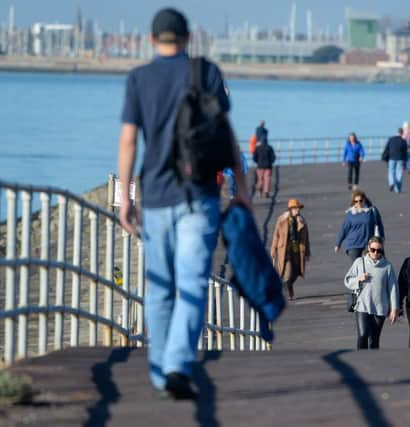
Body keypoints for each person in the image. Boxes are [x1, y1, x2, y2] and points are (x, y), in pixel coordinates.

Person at [117, 7, 250, 399]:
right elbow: (226, 134)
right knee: (192, 282)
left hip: (155, 198)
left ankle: (163, 374)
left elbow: (128, 141)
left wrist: (126, 197)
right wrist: (241, 186)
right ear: (188, 38)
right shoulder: (205, 72)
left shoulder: (138, 79)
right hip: (200, 196)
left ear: (151, 39)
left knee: (159, 288)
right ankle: (177, 364)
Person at [344, 236, 399, 350]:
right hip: (362, 305)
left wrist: (394, 308)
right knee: (363, 335)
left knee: (374, 339)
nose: (375, 253)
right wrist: (358, 279)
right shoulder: (359, 262)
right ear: (368, 248)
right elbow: (347, 281)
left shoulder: (387, 266)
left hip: (380, 307)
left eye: (379, 251)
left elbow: (393, 288)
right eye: (373, 249)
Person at [270, 198, 311, 301]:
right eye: (296, 208)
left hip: (296, 250)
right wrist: (273, 249)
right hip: (284, 250)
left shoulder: (301, 221)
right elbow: (276, 235)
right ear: (291, 209)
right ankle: (287, 290)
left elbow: (306, 238)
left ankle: (288, 286)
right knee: (287, 272)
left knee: (296, 272)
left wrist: (307, 251)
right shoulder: (282, 220)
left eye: (298, 208)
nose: (298, 210)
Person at [335, 190, 379, 262]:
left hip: (368, 243)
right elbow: (344, 229)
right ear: (353, 202)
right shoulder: (350, 214)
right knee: (357, 265)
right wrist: (338, 244)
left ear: (364, 200)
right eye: (356, 201)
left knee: (368, 265)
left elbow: (379, 225)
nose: (358, 203)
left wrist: (381, 238)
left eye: (360, 201)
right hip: (353, 244)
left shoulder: (371, 211)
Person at [384, 128, 408, 193]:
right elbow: (405, 152)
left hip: (391, 158)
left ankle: (392, 183)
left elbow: (387, 149)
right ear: (402, 133)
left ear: (396, 132)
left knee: (391, 172)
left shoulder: (391, 139)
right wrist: (405, 161)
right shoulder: (403, 141)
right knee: (399, 173)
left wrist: (385, 158)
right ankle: (397, 189)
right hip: (400, 159)